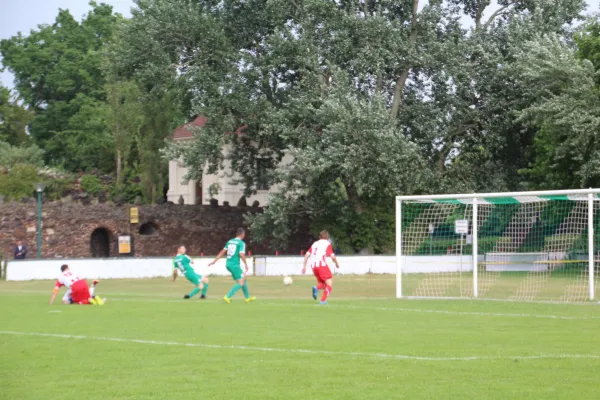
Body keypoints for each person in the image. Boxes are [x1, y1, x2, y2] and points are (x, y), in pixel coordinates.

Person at [209, 228, 255, 304]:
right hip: (234, 265)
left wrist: (214, 261)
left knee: (244, 277)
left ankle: (247, 298)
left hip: (228, 264)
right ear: (242, 234)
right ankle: (227, 297)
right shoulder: (241, 243)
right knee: (240, 282)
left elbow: (222, 252)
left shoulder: (229, 242)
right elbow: (241, 254)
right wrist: (246, 264)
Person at [302, 230, 340, 305]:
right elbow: (333, 257)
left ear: (319, 237)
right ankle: (323, 301)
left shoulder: (314, 244)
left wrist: (304, 267)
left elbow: (306, 255)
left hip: (314, 267)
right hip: (321, 265)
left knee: (322, 284)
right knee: (329, 285)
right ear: (327, 237)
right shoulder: (327, 244)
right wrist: (336, 264)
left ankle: (316, 288)